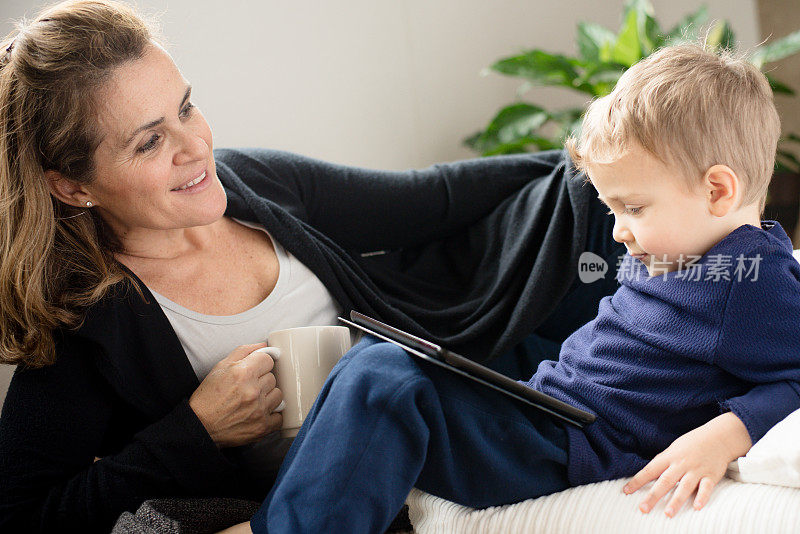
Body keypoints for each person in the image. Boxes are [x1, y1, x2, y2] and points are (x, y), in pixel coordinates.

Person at [0, 1, 771, 532]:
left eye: (187, 107)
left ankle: (740, 299)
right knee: (382, 377)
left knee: (620, 211)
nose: (195, 146)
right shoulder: (79, 320)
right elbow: (31, 513)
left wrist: (605, 167)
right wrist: (193, 431)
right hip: (414, 421)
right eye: (147, 141)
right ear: (71, 184)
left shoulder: (249, 181)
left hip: (485, 359)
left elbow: (431, 198)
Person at [225, 44, 800, 533]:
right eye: (612, 208)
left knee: (384, 384)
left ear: (719, 191)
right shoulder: (686, 256)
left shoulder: (750, 285)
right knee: (376, 363)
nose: (619, 230)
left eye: (634, 207)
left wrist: (732, 430)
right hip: (550, 412)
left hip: (575, 446)